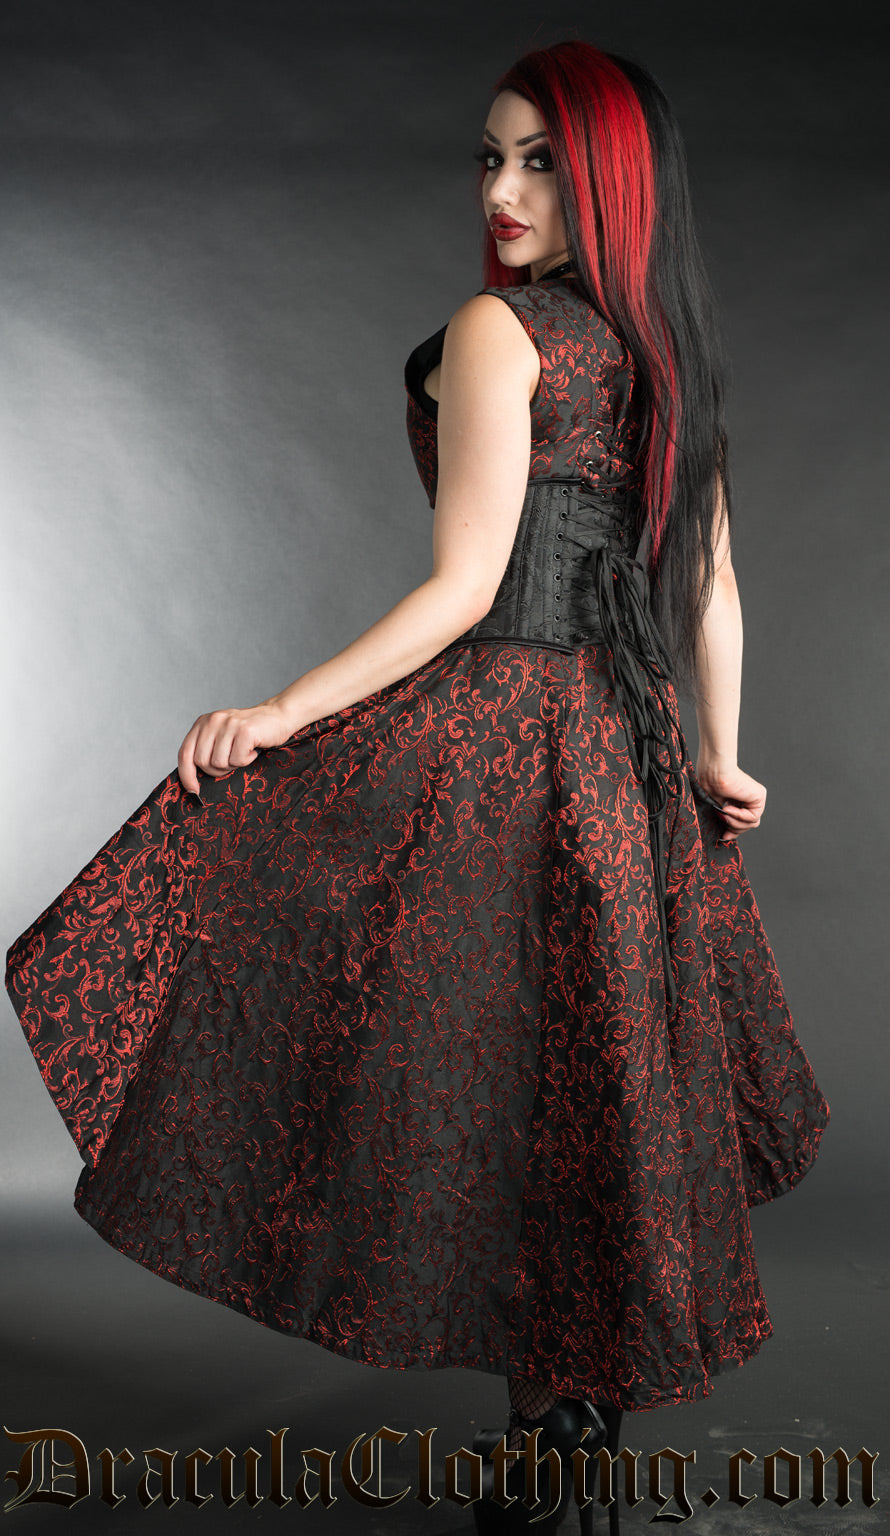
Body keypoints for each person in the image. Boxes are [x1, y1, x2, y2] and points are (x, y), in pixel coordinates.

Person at [5, 39, 828, 1535]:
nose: (503, 191)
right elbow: (709, 578)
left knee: (488, 1067)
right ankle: (567, 1440)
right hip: (627, 757)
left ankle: (552, 1448)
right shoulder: (661, 345)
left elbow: (464, 589)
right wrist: (716, 753)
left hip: (511, 739)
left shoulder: (502, 330)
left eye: (540, 163)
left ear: (609, 180)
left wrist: (279, 711)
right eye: (491, 158)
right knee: (583, 1083)